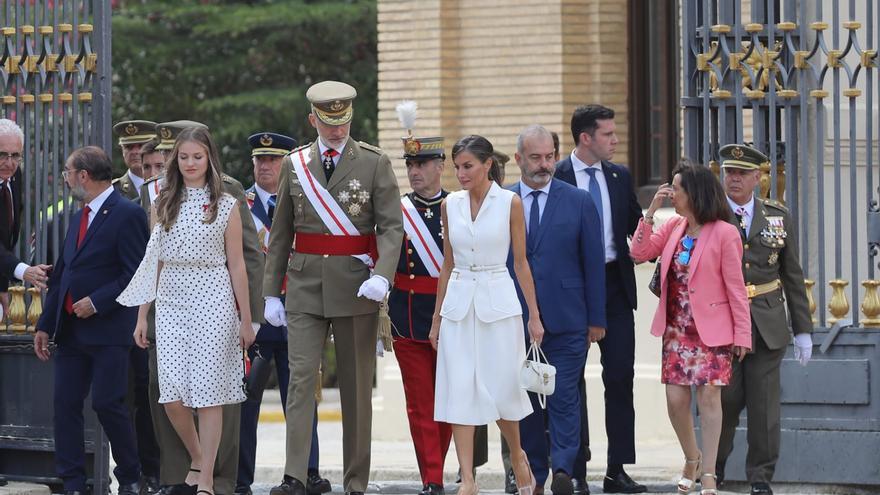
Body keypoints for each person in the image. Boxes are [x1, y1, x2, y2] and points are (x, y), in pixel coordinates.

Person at [263, 80, 403, 495]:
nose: (337, 131)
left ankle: (355, 481)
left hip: (357, 285)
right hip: (305, 286)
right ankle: (294, 475)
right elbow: (281, 231)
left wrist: (383, 276)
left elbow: (392, 227)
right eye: (329, 122)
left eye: (343, 122)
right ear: (313, 120)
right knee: (301, 380)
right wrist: (271, 291)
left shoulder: (374, 162)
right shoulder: (295, 164)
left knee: (356, 390)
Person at [118, 126, 256, 495]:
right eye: (184, 157)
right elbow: (153, 262)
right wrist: (142, 314)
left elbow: (238, 265)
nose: (191, 163)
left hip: (214, 296)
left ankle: (207, 478)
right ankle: (197, 456)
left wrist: (246, 318)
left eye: (197, 156)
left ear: (209, 157)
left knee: (209, 394)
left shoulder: (226, 203)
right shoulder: (162, 202)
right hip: (171, 300)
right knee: (172, 395)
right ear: (175, 160)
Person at [630, 163, 752, 495]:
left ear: (694, 193)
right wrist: (650, 212)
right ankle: (691, 457)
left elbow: (736, 288)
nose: (672, 193)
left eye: (677, 189)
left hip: (712, 330)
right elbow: (639, 253)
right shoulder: (673, 227)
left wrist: (742, 334)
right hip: (677, 331)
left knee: (710, 398)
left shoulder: (725, 233)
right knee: (675, 400)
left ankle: (709, 473)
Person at [429, 134, 541, 495]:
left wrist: (534, 315)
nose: (460, 174)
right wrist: (437, 319)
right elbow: (447, 263)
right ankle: (468, 479)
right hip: (459, 305)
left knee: (502, 387)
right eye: (457, 167)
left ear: (487, 164)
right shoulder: (450, 205)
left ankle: (518, 454)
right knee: (460, 388)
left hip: (499, 302)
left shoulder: (510, 203)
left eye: (468, 166)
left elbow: (521, 263)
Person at [33, 146, 149, 495]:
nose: (66, 178)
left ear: (83, 175)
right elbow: (64, 274)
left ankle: (130, 476)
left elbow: (136, 273)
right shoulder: (77, 216)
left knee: (107, 403)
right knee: (65, 405)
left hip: (109, 331)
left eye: (68, 172)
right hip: (71, 331)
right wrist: (44, 323)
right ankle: (72, 482)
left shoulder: (127, 214)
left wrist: (98, 302)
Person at [510, 125, 606, 495]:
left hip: (569, 318)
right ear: (518, 159)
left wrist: (596, 319)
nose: (544, 164)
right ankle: (534, 472)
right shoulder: (503, 201)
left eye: (550, 156)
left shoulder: (578, 201)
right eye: (535, 158)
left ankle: (564, 469)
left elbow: (593, 263)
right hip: (516, 318)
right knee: (528, 399)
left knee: (564, 394)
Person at [554, 104, 645, 494]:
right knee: (570, 380)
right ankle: (576, 469)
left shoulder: (619, 176)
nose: (616, 140)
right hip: (571, 289)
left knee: (620, 376)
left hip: (613, 286)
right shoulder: (556, 174)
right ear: (586, 138)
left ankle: (617, 469)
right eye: (608, 134)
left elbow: (634, 229)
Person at [236, 132, 331, 495]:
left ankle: (307, 473)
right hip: (255, 319)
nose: (266, 166)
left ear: (287, 163)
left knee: (302, 398)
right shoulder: (239, 204)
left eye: (274, 160)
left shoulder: (303, 200)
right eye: (260, 159)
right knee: (245, 402)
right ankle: (241, 479)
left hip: (298, 314)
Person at [715, 144, 813, 495]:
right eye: (729, 172)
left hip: (768, 323)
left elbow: (792, 273)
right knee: (724, 401)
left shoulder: (777, 215)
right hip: (725, 325)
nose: (734, 179)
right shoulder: (710, 214)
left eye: (742, 173)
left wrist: (803, 330)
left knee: (764, 408)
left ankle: (760, 477)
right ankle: (714, 466)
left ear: (758, 178)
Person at [387, 104, 452, 495]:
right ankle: (432, 478)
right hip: (408, 315)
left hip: (451, 314)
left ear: (441, 164)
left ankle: (437, 470)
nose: (415, 171)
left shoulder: (458, 208)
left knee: (450, 400)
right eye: (411, 164)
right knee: (420, 404)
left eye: (424, 163)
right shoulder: (397, 212)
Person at [0, 118, 51, 318]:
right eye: (2, 154)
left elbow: (6, 235)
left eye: (15, 156)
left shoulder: (14, 174)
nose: (9, 163)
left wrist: (2, 286)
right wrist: (22, 270)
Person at [112, 120, 158, 200]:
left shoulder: (170, 186)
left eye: (141, 146)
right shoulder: (113, 191)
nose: (135, 152)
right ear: (122, 151)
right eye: (129, 147)